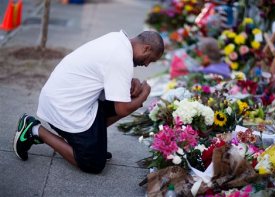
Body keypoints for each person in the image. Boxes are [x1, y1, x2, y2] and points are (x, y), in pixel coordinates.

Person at [13, 30, 164, 174]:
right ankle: (35, 130)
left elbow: (105, 74)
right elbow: (122, 109)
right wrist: (144, 95)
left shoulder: (117, 40)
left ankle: (88, 142)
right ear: (146, 48)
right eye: (150, 59)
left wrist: (130, 83)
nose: (146, 65)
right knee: (93, 164)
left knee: (128, 96)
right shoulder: (121, 57)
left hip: (63, 99)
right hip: (63, 107)